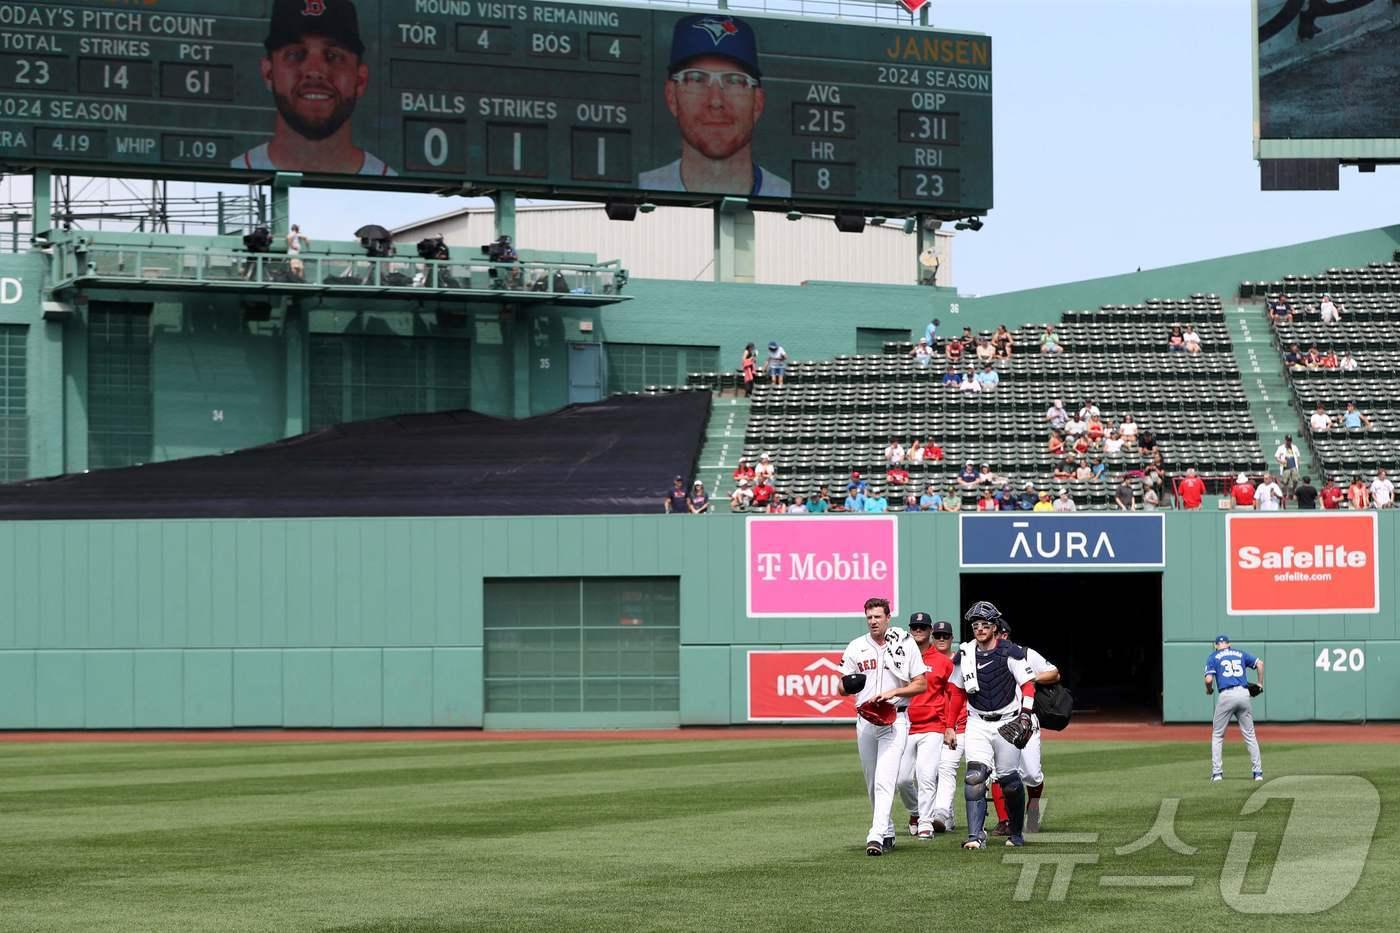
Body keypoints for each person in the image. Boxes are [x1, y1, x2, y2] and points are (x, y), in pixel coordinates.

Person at [233, 0, 395, 175]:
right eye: (295, 54)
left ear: (360, 79)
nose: (315, 71)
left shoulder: (395, 189)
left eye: (334, 56)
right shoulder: (234, 173)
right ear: (268, 73)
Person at [638, 14, 790, 196]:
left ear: (758, 102)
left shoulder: (786, 195)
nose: (716, 101)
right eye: (696, 79)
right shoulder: (643, 189)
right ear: (671, 96)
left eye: (734, 81)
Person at [837, 598, 929, 856]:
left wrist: (896, 691)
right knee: (871, 780)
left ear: (888, 617)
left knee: (885, 779)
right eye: (869, 617)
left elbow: (921, 684)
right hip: (866, 720)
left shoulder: (904, 644)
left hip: (895, 719)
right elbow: (841, 687)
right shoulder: (857, 646)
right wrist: (848, 685)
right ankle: (887, 828)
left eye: (878, 616)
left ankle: (875, 835)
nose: (873, 621)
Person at [944, 601, 1037, 848]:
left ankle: (1016, 833)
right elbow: (956, 692)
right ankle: (975, 836)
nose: (980, 629)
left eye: (985, 625)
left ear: (995, 627)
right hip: (977, 722)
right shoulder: (964, 655)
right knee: (975, 777)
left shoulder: (1011, 651)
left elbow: (1028, 684)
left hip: (1007, 721)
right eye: (976, 625)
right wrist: (950, 725)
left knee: (1010, 782)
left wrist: (1026, 714)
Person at [988, 616, 1058, 835]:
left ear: (1004, 635)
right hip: (998, 721)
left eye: (995, 632)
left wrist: (1029, 678)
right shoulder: (982, 655)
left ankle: (1034, 805)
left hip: (1026, 720)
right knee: (997, 773)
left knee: (1032, 774)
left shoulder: (1024, 654)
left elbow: (1055, 673)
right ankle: (1004, 821)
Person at [895, 612, 959, 839]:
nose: (918, 630)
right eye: (915, 627)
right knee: (902, 779)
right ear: (910, 630)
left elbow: (953, 696)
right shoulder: (901, 658)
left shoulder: (943, 662)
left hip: (932, 726)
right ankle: (915, 812)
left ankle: (925, 823)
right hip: (904, 726)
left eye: (923, 627)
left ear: (929, 630)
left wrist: (949, 726)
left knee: (926, 775)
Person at [1205, 634, 1263, 782]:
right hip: (1244, 694)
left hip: (1226, 695)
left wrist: (1209, 689)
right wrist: (1260, 683)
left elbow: (1209, 679)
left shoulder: (1213, 656)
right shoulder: (1240, 653)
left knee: (1217, 736)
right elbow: (1260, 663)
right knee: (1250, 735)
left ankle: (1217, 774)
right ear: (1229, 644)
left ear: (1216, 645)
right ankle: (1258, 773)